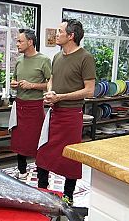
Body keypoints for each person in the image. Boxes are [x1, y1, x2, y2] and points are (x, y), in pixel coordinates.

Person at [36, 19, 96, 204]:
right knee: (43, 153)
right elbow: (52, 79)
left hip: (71, 116)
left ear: (71, 36)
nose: (56, 34)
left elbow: (89, 90)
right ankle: (42, 192)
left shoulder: (86, 58)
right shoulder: (57, 57)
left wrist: (60, 97)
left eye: (60, 31)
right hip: (54, 114)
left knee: (70, 157)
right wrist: (50, 91)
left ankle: (68, 196)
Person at [9, 29, 52, 180]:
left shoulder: (44, 60)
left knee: (37, 141)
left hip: (35, 107)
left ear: (30, 42)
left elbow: (51, 84)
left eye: (20, 41)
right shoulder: (19, 61)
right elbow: (14, 79)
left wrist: (32, 85)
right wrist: (13, 84)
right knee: (19, 141)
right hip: (19, 106)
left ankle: (42, 174)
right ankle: (22, 171)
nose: (17, 44)